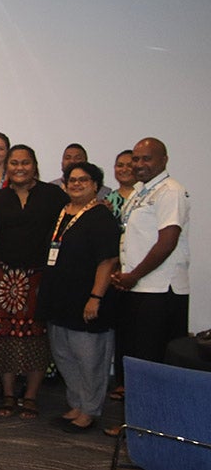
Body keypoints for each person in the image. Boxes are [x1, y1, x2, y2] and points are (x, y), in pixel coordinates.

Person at [0, 145, 67, 420]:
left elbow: (72, 220)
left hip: (38, 276)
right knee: (3, 335)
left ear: (35, 165)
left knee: (35, 337)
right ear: (7, 166)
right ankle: (7, 393)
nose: (19, 167)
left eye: (25, 162)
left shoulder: (53, 195)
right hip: (2, 276)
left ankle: (30, 395)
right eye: (14, 162)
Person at [37, 162, 120, 433]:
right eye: (72, 180)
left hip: (87, 301)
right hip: (60, 300)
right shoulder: (63, 212)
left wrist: (95, 297)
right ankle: (76, 403)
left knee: (90, 359)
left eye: (83, 180)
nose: (76, 184)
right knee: (64, 355)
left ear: (96, 185)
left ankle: (90, 410)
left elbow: (107, 261)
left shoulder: (101, 216)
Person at [110, 138, 190, 366]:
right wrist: (122, 272)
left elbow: (168, 241)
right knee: (136, 355)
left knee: (154, 359)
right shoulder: (138, 193)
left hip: (161, 289)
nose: (139, 164)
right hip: (137, 286)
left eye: (147, 158)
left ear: (164, 160)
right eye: (135, 159)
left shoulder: (170, 191)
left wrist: (134, 276)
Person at [101, 149, 135, 401]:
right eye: (118, 164)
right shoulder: (109, 199)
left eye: (128, 164)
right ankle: (119, 380)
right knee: (119, 328)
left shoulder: (145, 197)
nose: (123, 169)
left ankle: (132, 382)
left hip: (138, 271)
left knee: (136, 330)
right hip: (113, 272)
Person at [103, 149, 135, 218]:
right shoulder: (108, 200)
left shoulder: (147, 196)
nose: (124, 170)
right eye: (120, 165)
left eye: (130, 166)